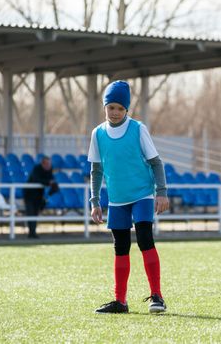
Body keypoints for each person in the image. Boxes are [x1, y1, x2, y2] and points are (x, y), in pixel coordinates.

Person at [89, 80, 169, 314]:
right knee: (120, 247)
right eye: (110, 107)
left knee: (145, 239)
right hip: (116, 199)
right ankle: (120, 301)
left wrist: (161, 193)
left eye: (120, 108)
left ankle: (157, 296)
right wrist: (94, 201)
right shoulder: (98, 133)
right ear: (105, 107)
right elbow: (96, 170)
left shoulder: (137, 129)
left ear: (127, 109)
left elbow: (156, 163)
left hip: (142, 194)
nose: (114, 112)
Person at [23, 155, 57, 239]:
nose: (49, 166)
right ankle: (31, 233)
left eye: (49, 164)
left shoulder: (50, 169)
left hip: (39, 195)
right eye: (47, 164)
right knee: (31, 213)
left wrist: (50, 185)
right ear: (43, 164)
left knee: (35, 213)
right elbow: (37, 180)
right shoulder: (36, 169)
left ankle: (33, 232)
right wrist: (48, 182)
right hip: (29, 195)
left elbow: (52, 181)